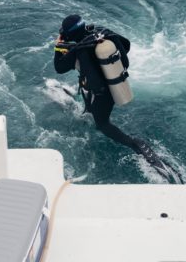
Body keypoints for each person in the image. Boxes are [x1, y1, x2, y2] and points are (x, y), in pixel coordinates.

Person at [54, 14, 178, 182]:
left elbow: (59, 67)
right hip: (115, 82)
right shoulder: (101, 34)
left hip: (101, 94)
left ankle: (135, 144)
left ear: (70, 34)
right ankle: (88, 110)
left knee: (102, 124)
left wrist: (58, 47)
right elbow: (126, 45)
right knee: (93, 110)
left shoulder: (78, 50)